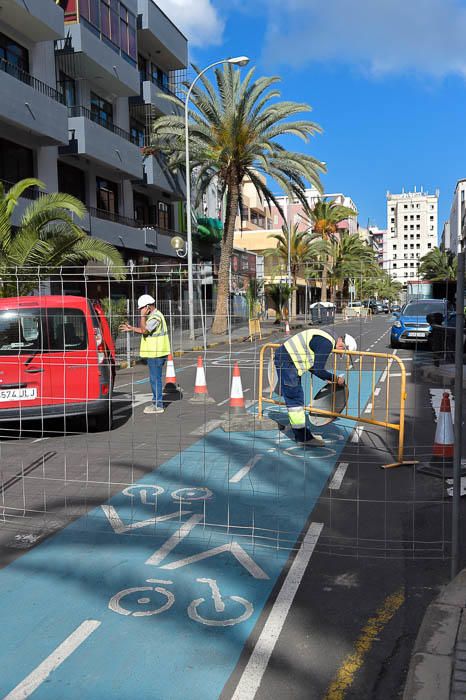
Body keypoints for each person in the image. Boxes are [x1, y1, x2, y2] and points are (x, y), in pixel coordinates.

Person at [274, 329, 357, 444]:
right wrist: (336, 379)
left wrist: (326, 377)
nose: (340, 354)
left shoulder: (325, 339)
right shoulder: (326, 344)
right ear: (342, 345)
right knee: (295, 401)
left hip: (289, 362)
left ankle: (302, 434)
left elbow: (312, 366)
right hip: (288, 363)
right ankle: (303, 438)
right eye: (342, 352)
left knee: (296, 398)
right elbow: (318, 369)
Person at [120, 295, 170, 414]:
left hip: (156, 353)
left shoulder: (155, 318)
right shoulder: (154, 316)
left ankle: (158, 405)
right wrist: (132, 328)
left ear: (147, 307)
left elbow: (145, 330)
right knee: (154, 379)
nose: (140, 311)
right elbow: (145, 330)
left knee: (155, 379)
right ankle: (156, 402)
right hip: (155, 353)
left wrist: (142, 316)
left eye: (141, 308)